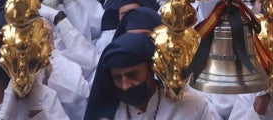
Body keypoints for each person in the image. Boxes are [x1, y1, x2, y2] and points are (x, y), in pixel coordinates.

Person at [84, 32, 218, 120]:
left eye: (132, 75)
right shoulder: (110, 114)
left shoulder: (192, 106)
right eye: (118, 78)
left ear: (152, 68)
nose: (125, 86)